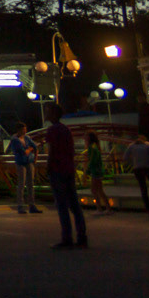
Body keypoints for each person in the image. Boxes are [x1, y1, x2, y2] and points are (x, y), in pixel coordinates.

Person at [44, 103, 88, 249]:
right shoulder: (66, 129)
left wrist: (48, 166)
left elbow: (51, 150)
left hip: (57, 169)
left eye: (48, 112)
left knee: (62, 205)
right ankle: (82, 237)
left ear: (54, 114)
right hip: (68, 169)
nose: (46, 114)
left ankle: (67, 238)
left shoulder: (52, 130)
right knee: (74, 204)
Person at [6, 123, 43, 214]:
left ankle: (32, 205)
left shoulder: (26, 137)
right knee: (21, 184)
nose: (25, 131)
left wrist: (35, 158)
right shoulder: (15, 140)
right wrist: (30, 149)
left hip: (29, 162)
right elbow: (24, 152)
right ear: (18, 130)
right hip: (21, 163)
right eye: (23, 130)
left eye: (25, 129)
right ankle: (20, 206)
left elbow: (34, 147)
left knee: (30, 184)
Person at [85, 131, 113, 215]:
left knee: (94, 190)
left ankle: (99, 208)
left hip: (95, 172)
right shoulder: (95, 146)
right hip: (98, 171)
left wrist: (87, 171)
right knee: (99, 190)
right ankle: (107, 208)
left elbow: (92, 160)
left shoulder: (91, 148)